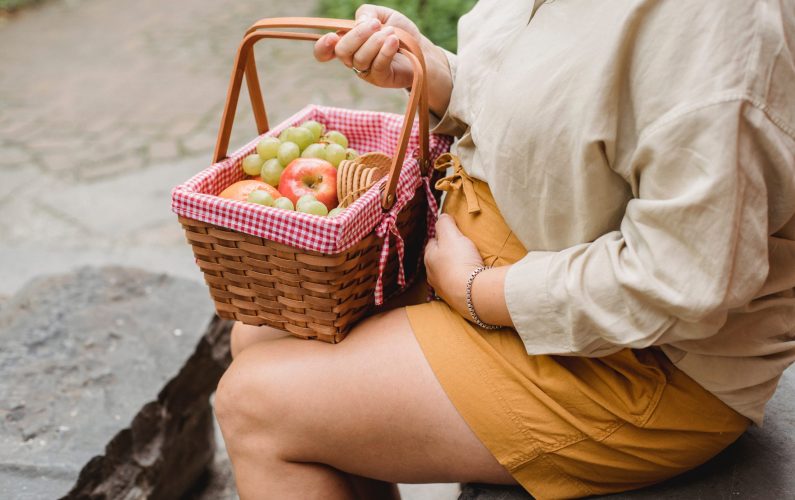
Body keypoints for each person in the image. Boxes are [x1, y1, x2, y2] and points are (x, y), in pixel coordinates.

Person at [214, 1, 795, 498]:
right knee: (262, 331)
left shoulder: (717, 31)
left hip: (638, 360)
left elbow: (683, 278)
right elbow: (565, 105)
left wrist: (479, 292)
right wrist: (436, 73)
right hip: (513, 248)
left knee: (254, 407)